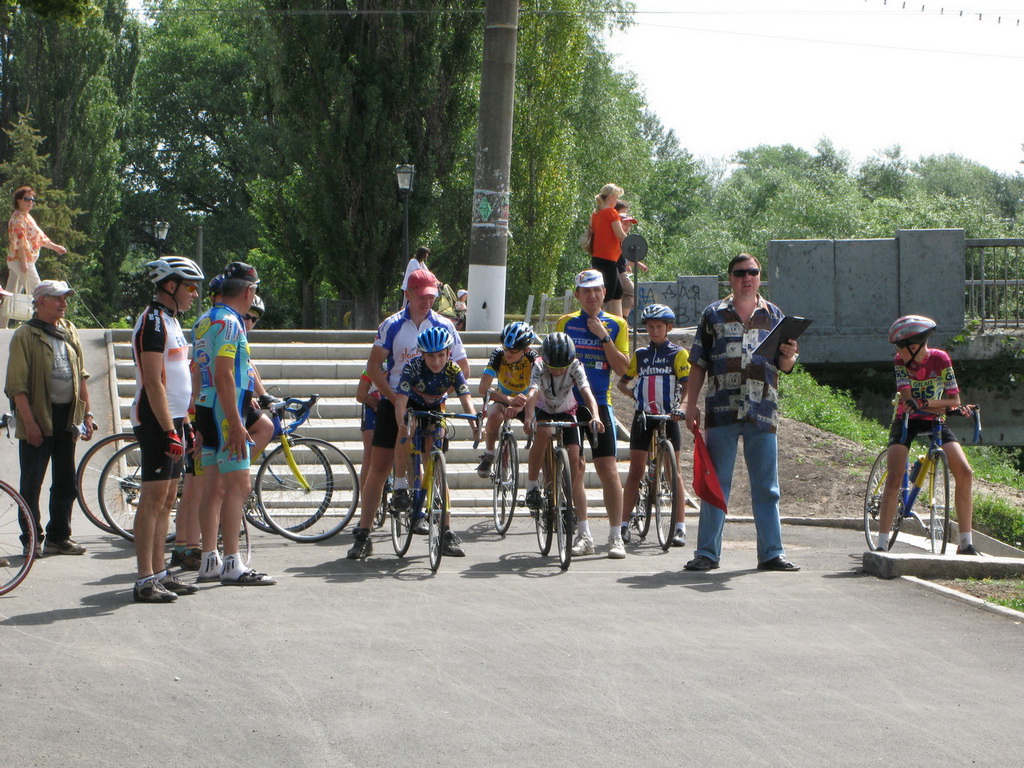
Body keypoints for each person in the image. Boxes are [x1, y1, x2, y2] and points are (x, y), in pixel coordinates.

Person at [683, 253, 801, 572]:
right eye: (740, 273)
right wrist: (690, 404)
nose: (746, 278)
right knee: (715, 484)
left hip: (762, 411)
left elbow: (785, 365)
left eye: (752, 272)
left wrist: (789, 355)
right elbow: (698, 362)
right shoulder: (713, 314)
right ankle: (707, 553)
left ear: (760, 277)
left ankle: (772, 553)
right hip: (721, 409)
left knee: (767, 487)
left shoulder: (775, 315)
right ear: (730, 279)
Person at [347, 268, 469, 560]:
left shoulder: (444, 325)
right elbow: (373, 367)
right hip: (395, 400)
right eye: (421, 297)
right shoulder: (391, 325)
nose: (427, 302)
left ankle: (446, 531)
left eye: (432, 297)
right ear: (408, 295)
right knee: (378, 468)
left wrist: (439, 394)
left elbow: (462, 368)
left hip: (431, 403)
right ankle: (363, 534)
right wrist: (392, 398)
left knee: (435, 465)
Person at [191, 262, 276, 586]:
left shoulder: (204, 320)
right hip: (226, 411)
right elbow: (225, 375)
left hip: (206, 408)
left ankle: (209, 560)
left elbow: (198, 372)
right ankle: (232, 563)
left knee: (213, 489)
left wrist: (197, 422)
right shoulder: (231, 323)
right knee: (239, 488)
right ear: (249, 291)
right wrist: (236, 424)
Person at [128, 257, 205, 603]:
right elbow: (153, 381)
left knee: (167, 500)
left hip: (174, 419)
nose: (195, 294)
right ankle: (145, 578)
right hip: (155, 419)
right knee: (153, 500)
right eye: (190, 286)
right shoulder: (152, 322)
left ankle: (159, 572)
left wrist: (185, 423)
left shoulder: (171, 321)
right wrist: (168, 430)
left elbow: (177, 379)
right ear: (170, 286)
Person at [876, 315, 980, 555]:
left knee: (965, 471)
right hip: (906, 418)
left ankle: (965, 543)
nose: (897, 352)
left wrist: (930, 404)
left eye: (900, 347)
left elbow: (954, 400)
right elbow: (907, 399)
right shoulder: (899, 361)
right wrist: (936, 405)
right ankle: (881, 542)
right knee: (895, 475)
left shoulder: (940, 359)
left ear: (914, 346)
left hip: (935, 419)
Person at [4, 279, 93, 557]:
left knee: (66, 481)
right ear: (41, 301)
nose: (63, 303)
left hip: (67, 417)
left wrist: (87, 414)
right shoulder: (25, 335)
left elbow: (81, 375)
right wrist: (30, 423)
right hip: (38, 416)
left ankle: (59, 537)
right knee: (32, 484)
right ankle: (31, 539)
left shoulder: (69, 330)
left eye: (65, 298)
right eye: (58, 298)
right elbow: (17, 386)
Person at [555, 269, 630, 558]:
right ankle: (583, 534)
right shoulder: (566, 323)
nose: (592, 295)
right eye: (586, 291)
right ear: (577, 294)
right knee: (575, 468)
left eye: (597, 290)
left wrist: (603, 337)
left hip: (599, 403)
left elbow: (623, 369)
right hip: (568, 405)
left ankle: (615, 536)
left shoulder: (617, 324)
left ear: (604, 293)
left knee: (608, 469)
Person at [392, 326, 479, 556]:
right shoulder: (412, 367)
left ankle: (446, 530)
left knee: (437, 466)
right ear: (422, 355)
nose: (436, 361)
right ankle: (400, 485)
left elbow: (466, 398)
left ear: (449, 353)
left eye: (441, 355)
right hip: (413, 405)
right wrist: (401, 421)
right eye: (430, 356)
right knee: (407, 429)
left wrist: (474, 424)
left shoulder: (453, 369)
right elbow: (400, 400)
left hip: (435, 407)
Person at [617, 303, 690, 547]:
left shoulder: (678, 354)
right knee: (636, 470)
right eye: (650, 327)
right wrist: (634, 395)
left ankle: (679, 527)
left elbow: (688, 384)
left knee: (673, 472)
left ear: (669, 327)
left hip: (669, 416)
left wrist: (683, 406)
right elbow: (622, 383)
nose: (654, 331)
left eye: (659, 326)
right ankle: (623, 524)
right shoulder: (640, 355)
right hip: (644, 416)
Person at [523, 332, 603, 542]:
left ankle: (568, 499)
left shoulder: (576, 366)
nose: (558, 371)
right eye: (554, 368)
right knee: (542, 432)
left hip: (567, 409)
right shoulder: (539, 365)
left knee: (575, 458)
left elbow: (587, 392)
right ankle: (532, 485)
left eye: (562, 368)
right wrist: (529, 417)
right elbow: (532, 392)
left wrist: (595, 416)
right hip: (543, 408)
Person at [475, 321, 537, 478]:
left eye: (514, 350)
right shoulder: (498, 354)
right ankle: (489, 454)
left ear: (525, 350)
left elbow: (538, 388)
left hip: (526, 400)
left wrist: (523, 408)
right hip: (504, 398)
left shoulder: (532, 358)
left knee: (535, 427)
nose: (508, 353)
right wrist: (509, 400)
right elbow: (483, 388)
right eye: (506, 348)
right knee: (494, 415)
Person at [3, 187, 67, 328]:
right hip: (21, 260)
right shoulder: (18, 218)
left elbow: (40, 238)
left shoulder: (27, 217)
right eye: (27, 199)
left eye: (32, 199)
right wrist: (24, 264)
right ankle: (48, 321)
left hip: (20, 260)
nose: (30, 202)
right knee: (39, 290)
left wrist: (56, 247)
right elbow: (20, 244)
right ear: (18, 200)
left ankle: (1, 326)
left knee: (10, 294)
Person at [589, 183, 627, 317]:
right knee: (607, 294)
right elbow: (620, 234)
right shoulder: (611, 212)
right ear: (610, 197)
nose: (617, 200)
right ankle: (593, 319)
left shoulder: (596, 214)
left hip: (601, 258)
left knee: (617, 291)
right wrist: (633, 245)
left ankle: (619, 323)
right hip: (606, 259)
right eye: (616, 197)